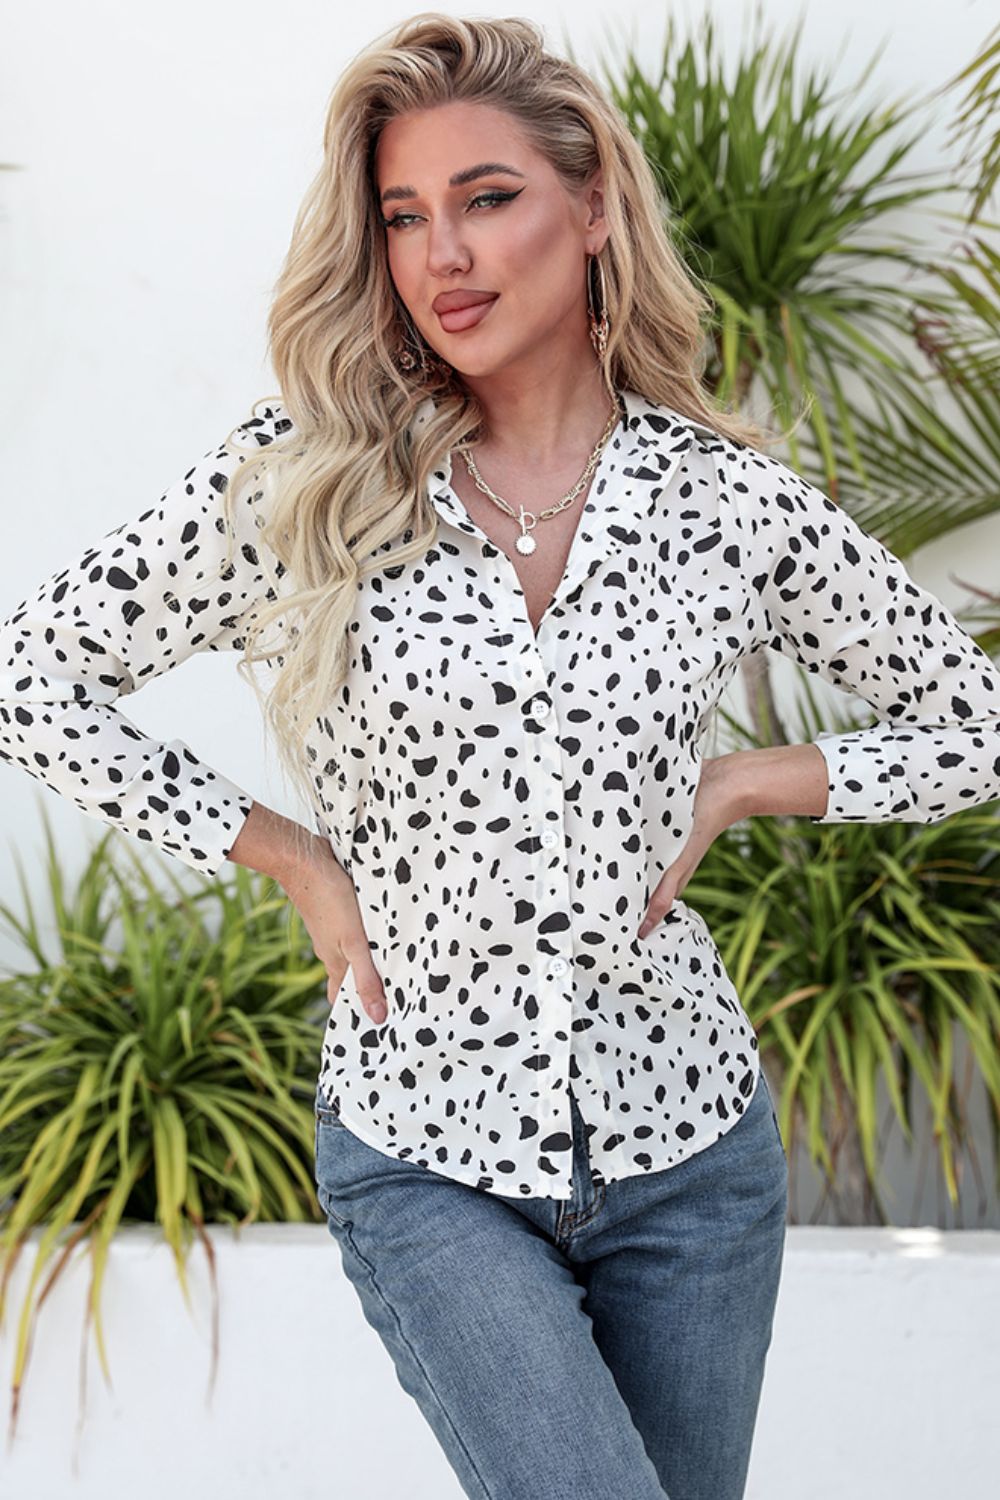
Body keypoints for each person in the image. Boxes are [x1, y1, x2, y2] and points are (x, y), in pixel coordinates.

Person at [2, 13, 999, 1500]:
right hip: (426, 1151)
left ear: (591, 208)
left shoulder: (726, 503)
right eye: (405, 215)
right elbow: (30, 680)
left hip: (691, 1156)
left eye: (486, 198)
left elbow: (975, 726)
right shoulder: (305, 481)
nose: (443, 254)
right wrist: (295, 860)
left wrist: (747, 783)